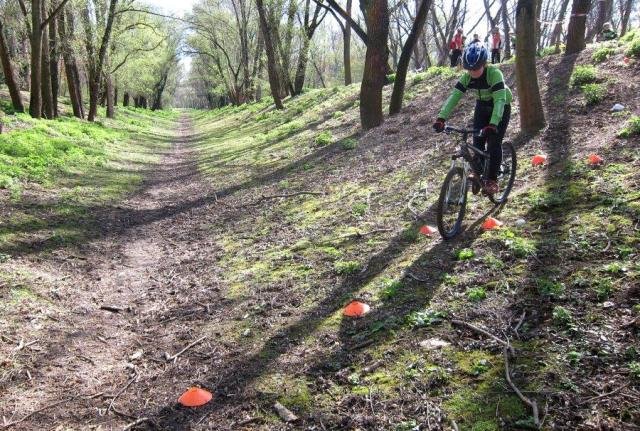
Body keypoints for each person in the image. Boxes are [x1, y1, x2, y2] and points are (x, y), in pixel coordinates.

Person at [432, 42, 513, 195]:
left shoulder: (494, 74)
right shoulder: (467, 78)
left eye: (476, 68)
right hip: (482, 107)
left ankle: (492, 180)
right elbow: (454, 97)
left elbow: (500, 101)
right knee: (477, 142)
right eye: (469, 69)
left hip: (501, 107)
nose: (473, 72)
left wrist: (493, 123)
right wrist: (441, 118)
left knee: (494, 143)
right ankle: (479, 175)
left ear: (484, 64)